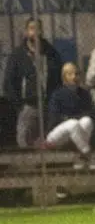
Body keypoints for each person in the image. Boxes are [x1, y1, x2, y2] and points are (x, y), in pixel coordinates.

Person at [2, 18, 62, 148]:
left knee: (49, 141)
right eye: (31, 28)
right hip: (28, 107)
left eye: (38, 28)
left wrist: (55, 101)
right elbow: (9, 82)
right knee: (25, 142)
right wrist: (19, 105)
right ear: (26, 31)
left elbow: (58, 79)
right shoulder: (18, 54)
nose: (35, 32)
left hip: (48, 106)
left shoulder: (51, 53)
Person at [42, 63, 95, 170]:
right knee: (73, 123)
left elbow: (89, 113)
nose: (74, 77)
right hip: (57, 134)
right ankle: (88, 154)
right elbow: (55, 117)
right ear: (64, 76)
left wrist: (73, 117)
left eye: (76, 74)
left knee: (87, 121)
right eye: (70, 74)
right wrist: (72, 118)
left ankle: (80, 158)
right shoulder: (57, 94)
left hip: (76, 134)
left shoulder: (84, 94)